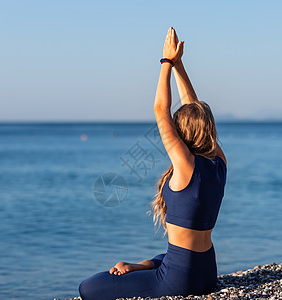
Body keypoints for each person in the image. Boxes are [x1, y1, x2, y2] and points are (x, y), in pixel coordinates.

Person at [78, 27, 227, 300]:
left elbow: (161, 110)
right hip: (207, 271)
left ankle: (139, 271)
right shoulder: (219, 162)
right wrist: (181, 65)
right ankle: (136, 267)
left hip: (180, 281)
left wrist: (166, 63)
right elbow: (194, 108)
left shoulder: (185, 165)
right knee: (163, 255)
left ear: (182, 132)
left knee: (88, 288)